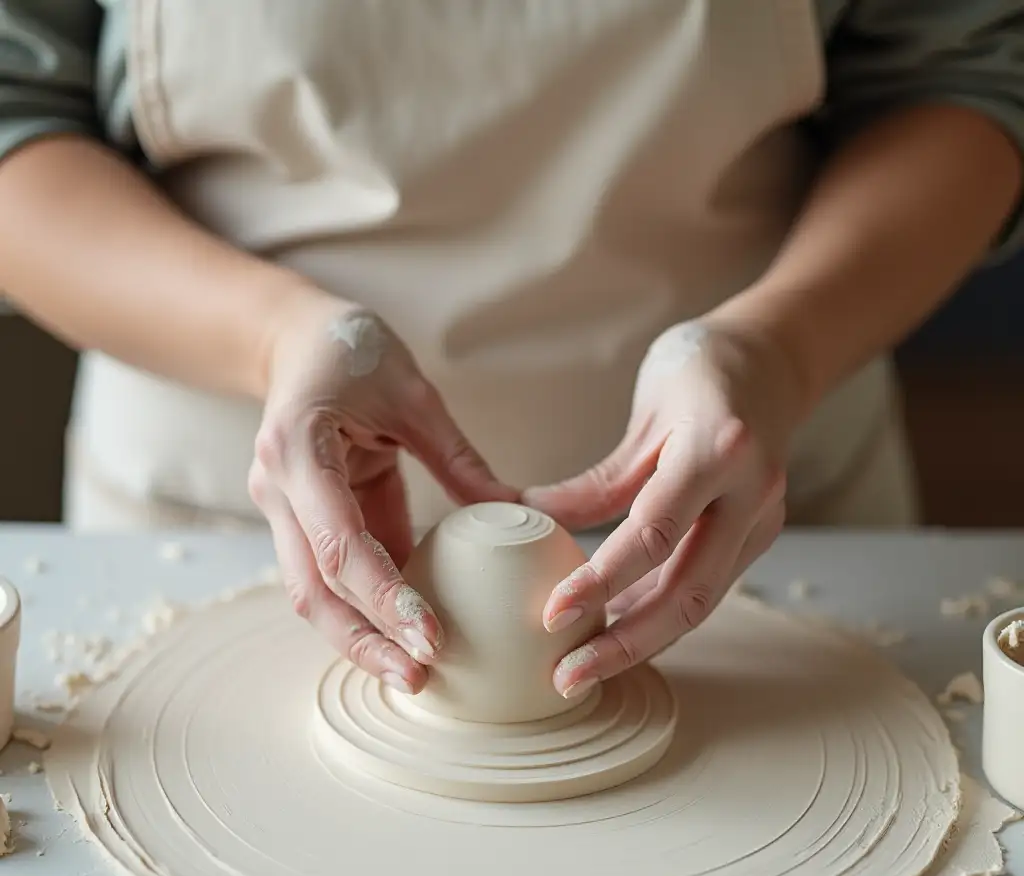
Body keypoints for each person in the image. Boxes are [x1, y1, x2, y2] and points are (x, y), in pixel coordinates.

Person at [0, 2, 1022, 701]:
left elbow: (960, 76)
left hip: (750, 510)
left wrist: (778, 350)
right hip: (227, 510)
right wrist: (277, 336)